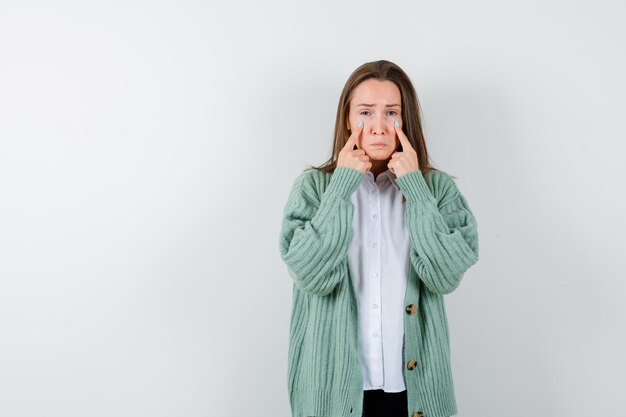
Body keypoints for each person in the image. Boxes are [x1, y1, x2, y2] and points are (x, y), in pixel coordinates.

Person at [278, 60, 479, 417]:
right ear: (346, 120)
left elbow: (446, 274)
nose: (379, 127)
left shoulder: (436, 189)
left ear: (407, 121)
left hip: (413, 394)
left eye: (392, 113)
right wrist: (340, 186)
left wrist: (416, 189)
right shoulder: (314, 188)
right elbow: (308, 273)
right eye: (365, 112)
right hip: (332, 394)